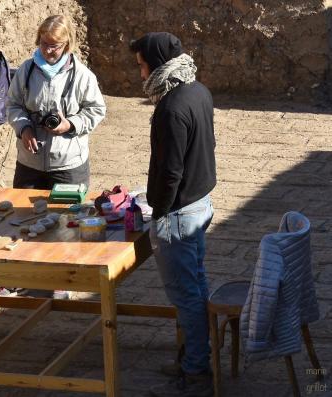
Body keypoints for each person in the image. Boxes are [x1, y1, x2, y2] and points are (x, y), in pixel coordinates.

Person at [0, 15, 106, 299]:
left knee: (67, 221)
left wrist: (70, 125)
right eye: (44, 44)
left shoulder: (82, 75)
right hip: (30, 162)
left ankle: (60, 280)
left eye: (55, 46)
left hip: (68, 163)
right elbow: (13, 105)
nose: (49, 50)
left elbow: (96, 110)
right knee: (22, 219)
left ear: (67, 43)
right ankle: (18, 276)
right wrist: (25, 128)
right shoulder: (27, 71)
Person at [129, 32, 216, 397]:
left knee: (186, 296)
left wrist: (157, 215)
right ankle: (196, 358)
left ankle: (196, 372)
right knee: (195, 287)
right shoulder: (198, 90)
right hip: (200, 204)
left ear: (157, 62)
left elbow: (170, 171)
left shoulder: (171, 108)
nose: (140, 73)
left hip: (178, 214)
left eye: (142, 65)